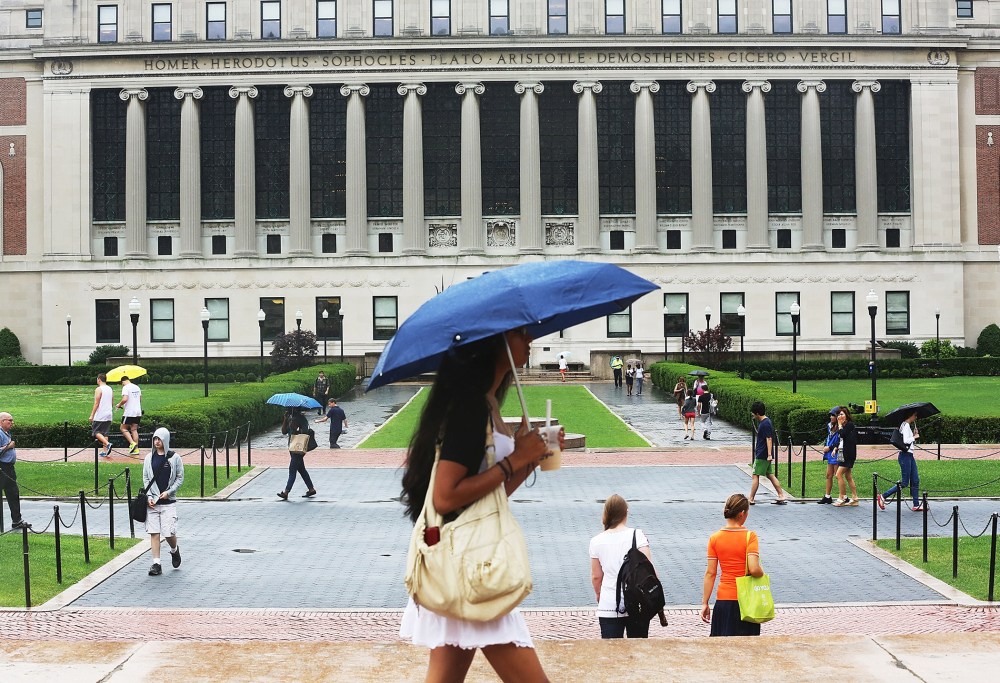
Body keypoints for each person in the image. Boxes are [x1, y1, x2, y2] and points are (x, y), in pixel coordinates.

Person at [399, 329, 556, 683]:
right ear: (495, 342)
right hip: (473, 569)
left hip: (465, 565)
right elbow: (445, 496)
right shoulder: (470, 408)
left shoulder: (485, 403)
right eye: (520, 333)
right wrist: (515, 461)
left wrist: (528, 458)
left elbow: (489, 496)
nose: (529, 339)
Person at [589, 494, 655, 639]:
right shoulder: (638, 535)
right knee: (639, 651)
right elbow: (650, 570)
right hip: (637, 603)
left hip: (609, 603)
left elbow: (596, 576)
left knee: (611, 653)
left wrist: (599, 594)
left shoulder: (596, 541)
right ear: (626, 513)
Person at [700, 493, 765, 637]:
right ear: (742, 514)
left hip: (724, 600)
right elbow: (754, 569)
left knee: (721, 651)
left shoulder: (714, 538)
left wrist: (705, 602)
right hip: (746, 601)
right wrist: (762, 573)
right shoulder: (750, 536)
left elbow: (710, 573)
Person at [143, 427, 183, 576]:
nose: (156, 442)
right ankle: (156, 564)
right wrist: (148, 497)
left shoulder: (174, 458)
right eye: (155, 439)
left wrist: (169, 492)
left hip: (168, 502)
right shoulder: (148, 458)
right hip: (153, 502)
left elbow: (180, 478)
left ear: (165, 440)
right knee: (154, 532)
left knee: (168, 533)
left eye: (159, 439)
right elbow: (146, 479)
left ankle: (174, 550)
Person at [878, 411, 923, 511]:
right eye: (915, 415)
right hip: (905, 456)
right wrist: (915, 437)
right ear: (910, 415)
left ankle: (916, 504)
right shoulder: (906, 425)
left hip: (909, 456)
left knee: (915, 480)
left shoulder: (905, 425)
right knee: (904, 483)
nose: (916, 417)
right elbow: (906, 441)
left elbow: (907, 439)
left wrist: (914, 435)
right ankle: (883, 496)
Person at [748, 401, 788, 505]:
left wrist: (769, 454)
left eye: (753, 413)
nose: (752, 414)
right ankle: (781, 495)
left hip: (762, 454)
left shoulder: (765, 423)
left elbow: (769, 439)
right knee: (770, 474)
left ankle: (751, 498)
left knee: (755, 475)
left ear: (757, 413)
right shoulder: (766, 422)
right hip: (765, 454)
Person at [0, 412, 30, 530]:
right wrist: (9, 446)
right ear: (2, 421)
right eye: (9, 420)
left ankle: (17, 520)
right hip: (2, 468)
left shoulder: (6, 433)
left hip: (9, 468)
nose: (12, 423)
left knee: (13, 493)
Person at [278, 407, 316, 499]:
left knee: (292, 469)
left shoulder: (302, 418)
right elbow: (284, 432)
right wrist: (285, 420)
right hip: (292, 447)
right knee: (301, 469)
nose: (289, 409)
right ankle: (311, 489)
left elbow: (305, 432)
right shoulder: (290, 418)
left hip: (299, 448)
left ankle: (286, 492)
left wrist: (296, 429)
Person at [833, 407, 860, 507]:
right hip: (842, 452)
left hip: (848, 454)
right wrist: (835, 448)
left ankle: (842, 497)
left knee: (838, 474)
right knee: (848, 476)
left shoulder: (849, 425)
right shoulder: (844, 425)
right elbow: (841, 439)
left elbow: (842, 434)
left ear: (847, 415)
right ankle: (855, 497)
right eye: (839, 415)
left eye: (842, 414)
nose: (840, 416)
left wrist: (840, 425)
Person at [817, 408, 841, 504]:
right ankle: (827, 496)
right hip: (829, 453)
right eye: (830, 415)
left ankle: (843, 496)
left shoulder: (840, 427)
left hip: (835, 452)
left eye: (833, 415)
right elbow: (829, 438)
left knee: (837, 475)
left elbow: (839, 441)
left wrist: (830, 447)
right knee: (828, 475)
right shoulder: (829, 426)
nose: (831, 417)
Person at [89, 373, 114, 458]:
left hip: (101, 414)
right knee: (105, 433)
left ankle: (107, 444)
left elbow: (96, 403)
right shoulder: (110, 389)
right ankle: (105, 451)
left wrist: (92, 415)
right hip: (108, 413)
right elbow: (112, 401)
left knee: (96, 432)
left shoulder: (99, 389)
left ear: (99, 379)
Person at [116, 376, 142, 455]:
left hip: (129, 412)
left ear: (123, 382)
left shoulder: (126, 387)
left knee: (123, 428)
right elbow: (140, 399)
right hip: (138, 412)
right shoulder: (137, 387)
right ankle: (136, 449)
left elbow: (125, 399)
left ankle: (132, 443)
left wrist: (119, 405)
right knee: (134, 429)